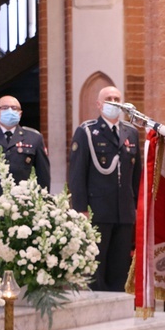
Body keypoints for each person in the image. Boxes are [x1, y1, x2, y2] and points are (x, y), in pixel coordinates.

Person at [69, 86, 141, 292]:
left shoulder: (131, 132)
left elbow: (136, 174)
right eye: (109, 98)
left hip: (124, 211)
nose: (113, 101)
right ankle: (98, 302)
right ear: (99, 104)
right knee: (97, 264)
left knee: (120, 264)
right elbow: (77, 173)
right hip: (97, 210)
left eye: (117, 98)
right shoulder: (87, 131)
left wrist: (137, 206)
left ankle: (119, 302)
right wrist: (80, 208)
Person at [0, 95, 50, 198]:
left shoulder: (34, 138)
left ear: (20, 113)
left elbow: (43, 175)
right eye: (4, 108)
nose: (10, 111)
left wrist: (42, 203)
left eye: (14, 108)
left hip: (23, 205)